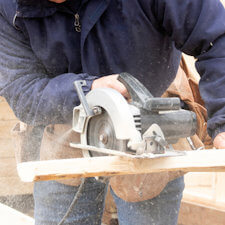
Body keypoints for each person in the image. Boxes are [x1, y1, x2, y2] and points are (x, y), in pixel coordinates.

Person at [0, 0, 225, 224]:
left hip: (149, 114)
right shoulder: (8, 6)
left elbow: (217, 36)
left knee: (146, 210)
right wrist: (87, 90)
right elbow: (22, 88)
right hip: (65, 116)